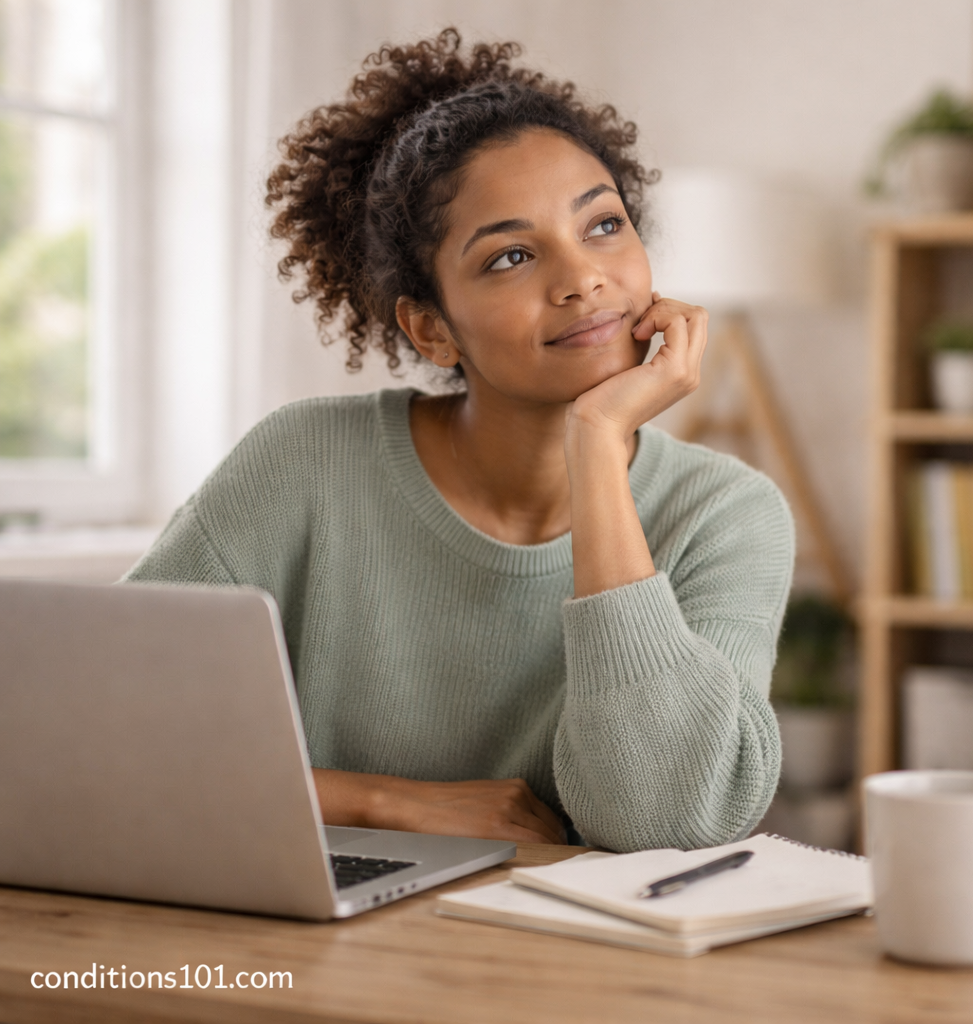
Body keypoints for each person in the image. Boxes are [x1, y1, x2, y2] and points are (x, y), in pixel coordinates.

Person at [126, 29, 794, 853]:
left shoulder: (727, 514)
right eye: (513, 255)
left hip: (582, 967)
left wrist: (596, 443)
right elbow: (103, 729)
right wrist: (383, 803)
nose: (582, 278)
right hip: (321, 940)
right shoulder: (303, 466)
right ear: (433, 329)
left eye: (603, 226)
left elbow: (665, 819)